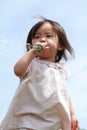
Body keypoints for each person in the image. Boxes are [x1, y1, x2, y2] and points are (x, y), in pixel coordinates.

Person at [0, 17, 79, 130]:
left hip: (54, 116)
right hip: (33, 115)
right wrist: (32, 53)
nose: (42, 39)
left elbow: (64, 93)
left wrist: (72, 114)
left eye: (48, 36)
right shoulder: (31, 64)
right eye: (37, 37)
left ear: (60, 45)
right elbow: (18, 71)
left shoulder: (61, 70)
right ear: (31, 44)